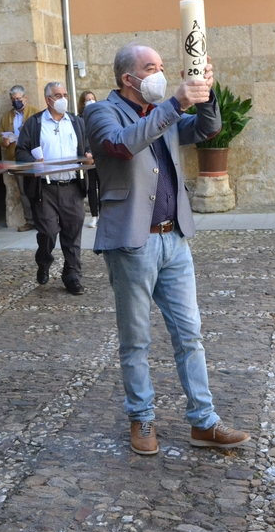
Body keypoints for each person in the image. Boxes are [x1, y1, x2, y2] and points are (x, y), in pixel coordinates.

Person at [84, 42, 250, 455]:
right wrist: (176, 103)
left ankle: (204, 422)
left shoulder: (166, 112)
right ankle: (141, 418)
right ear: (128, 77)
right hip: (132, 242)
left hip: (174, 237)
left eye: (161, 65)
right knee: (136, 339)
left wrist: (204, 92)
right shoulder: (101, 111)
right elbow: (122, 145)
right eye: (151, 67)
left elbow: (207, 130)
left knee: (190, 333)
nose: (159, 72)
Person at [15, 82, 89, 295]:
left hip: (72, 186)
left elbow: (88, 146)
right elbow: (20, 152)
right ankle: (44, 260)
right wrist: (33, 162)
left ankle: (72, 276)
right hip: (45, 188)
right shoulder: (35, 123)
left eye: (65, 94)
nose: (63, 99)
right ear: (48, 99)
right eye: (58, 95)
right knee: (48, 232)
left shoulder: (76, 122)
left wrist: (89, 155)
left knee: (73, 234)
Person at [0, 85, 38, 232]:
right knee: (23, 191)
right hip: (16, 159)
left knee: (38, 190)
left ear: (25, 98)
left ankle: (44, 219)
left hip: (33, 158)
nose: (16, 101)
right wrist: (4, 141)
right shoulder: (7, 117)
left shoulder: (35, 113)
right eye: (13, 99)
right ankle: (30, 220)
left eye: (19, 98)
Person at [78, 90, 100, 228]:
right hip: (89, 157)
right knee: (91, 187)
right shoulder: (80, 120)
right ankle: (94, 216)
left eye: (93, 98)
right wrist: (87, 153)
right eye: (88, 99)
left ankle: (103, 214)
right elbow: (82, 139)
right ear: (82, 103)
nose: (91, 101)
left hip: (101, 156)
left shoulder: (100, 116)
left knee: (103, 186)